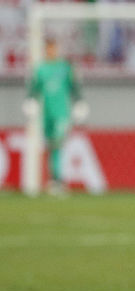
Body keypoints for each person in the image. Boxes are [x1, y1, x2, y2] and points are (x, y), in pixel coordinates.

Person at [24, 37, 88, 195]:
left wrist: (79, 102)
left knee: (57, 144)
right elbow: (34, 88)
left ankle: (57, 180)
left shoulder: (66, 67)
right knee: (50, 146)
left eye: (53, 48)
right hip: (46, 113)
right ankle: (54, 180)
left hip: (62, 112)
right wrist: (30, 100)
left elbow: (74, 86)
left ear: (57, 49)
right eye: (48, 48)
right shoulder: (40, 69)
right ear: (45, 49)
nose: (51, 51)